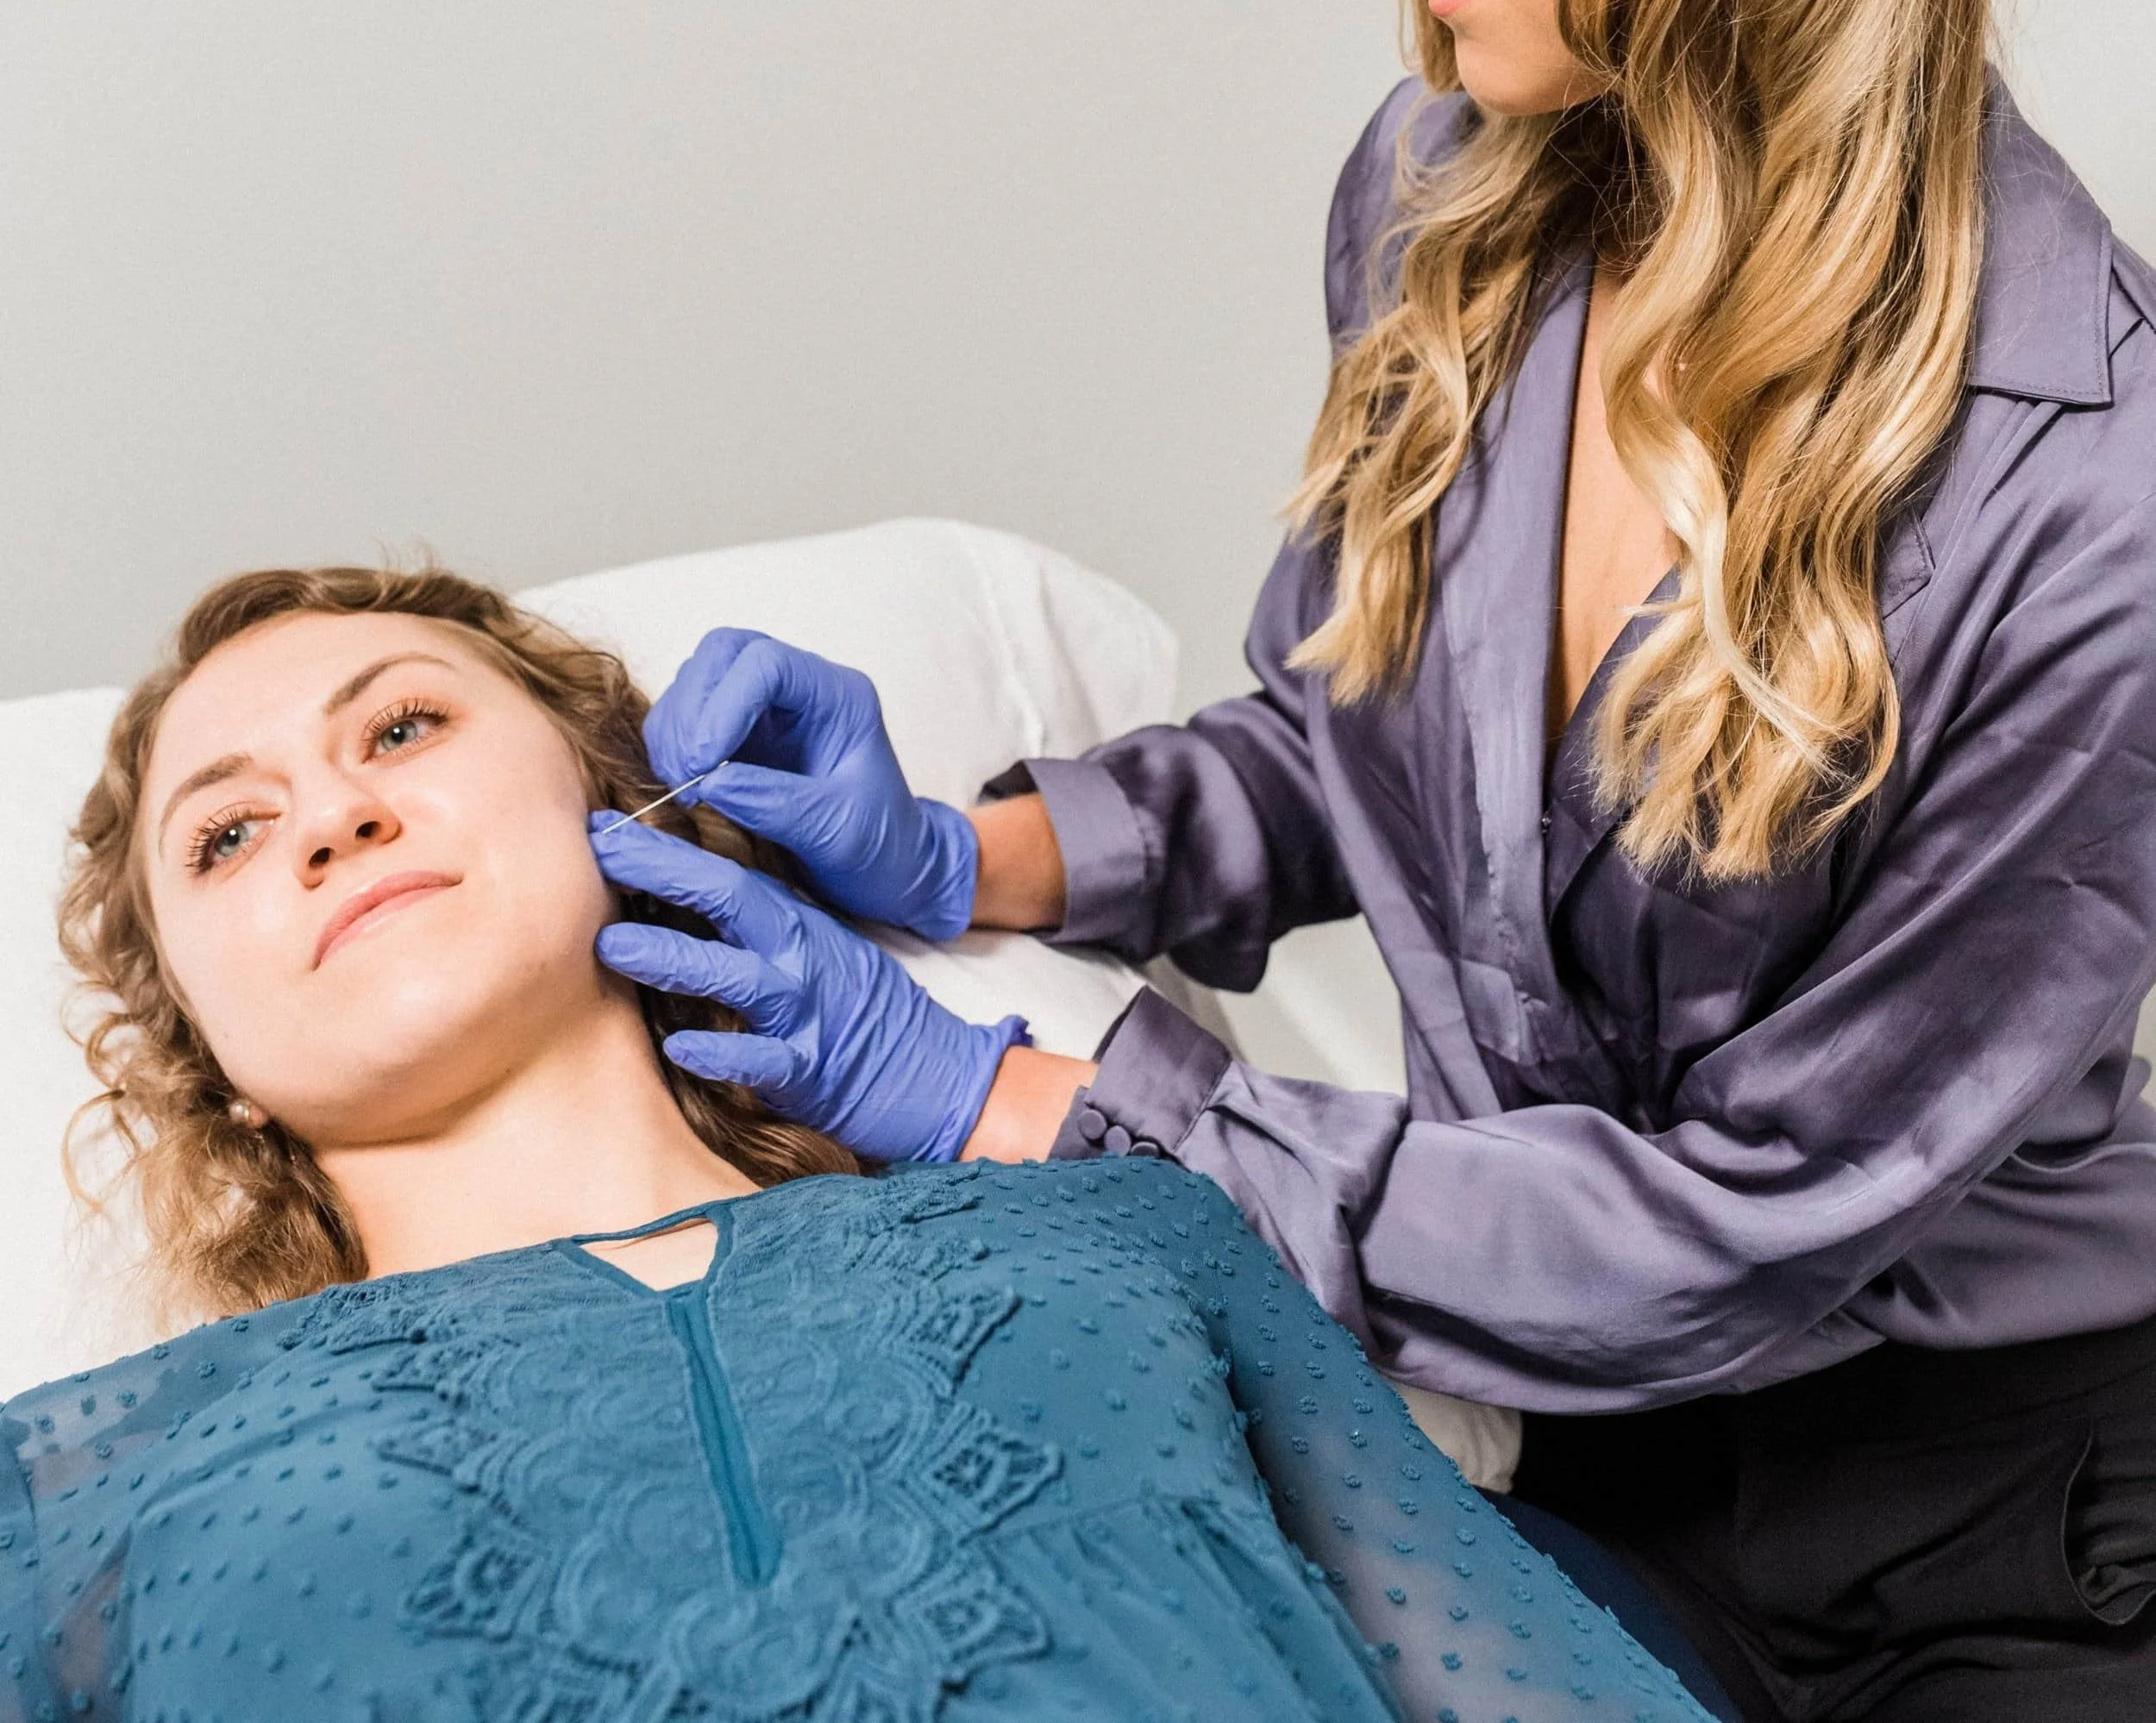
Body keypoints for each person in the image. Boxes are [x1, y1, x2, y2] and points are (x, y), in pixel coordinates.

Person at [597, 0, 2156, 1722]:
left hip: (1993, 1533)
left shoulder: (2083, 485)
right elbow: (1368, 758)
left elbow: (1740, 1228)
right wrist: (954, 854)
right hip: (1543, 1438)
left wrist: (1023, 1102)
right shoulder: (1445, 201)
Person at [1, 563, 1713, 1723]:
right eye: (226, 834)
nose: (334, 814)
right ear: (198, 1052)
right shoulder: (77, 1492)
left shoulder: (1117, 1239)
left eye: (401, 729)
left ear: (624, 811)